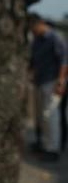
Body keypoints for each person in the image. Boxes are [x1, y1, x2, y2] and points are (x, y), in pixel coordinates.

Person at [29, 14, 68, 161]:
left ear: (40, 24)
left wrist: (60, 83)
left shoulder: (54, 38)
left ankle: (53, 149)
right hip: (40, 81)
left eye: (33, 28)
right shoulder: (37, 40)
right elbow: (33, 60)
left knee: (51, 115)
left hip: (52, 81)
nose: (32, 31)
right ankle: (44, 144)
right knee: (41, 117)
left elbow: (64, 62)